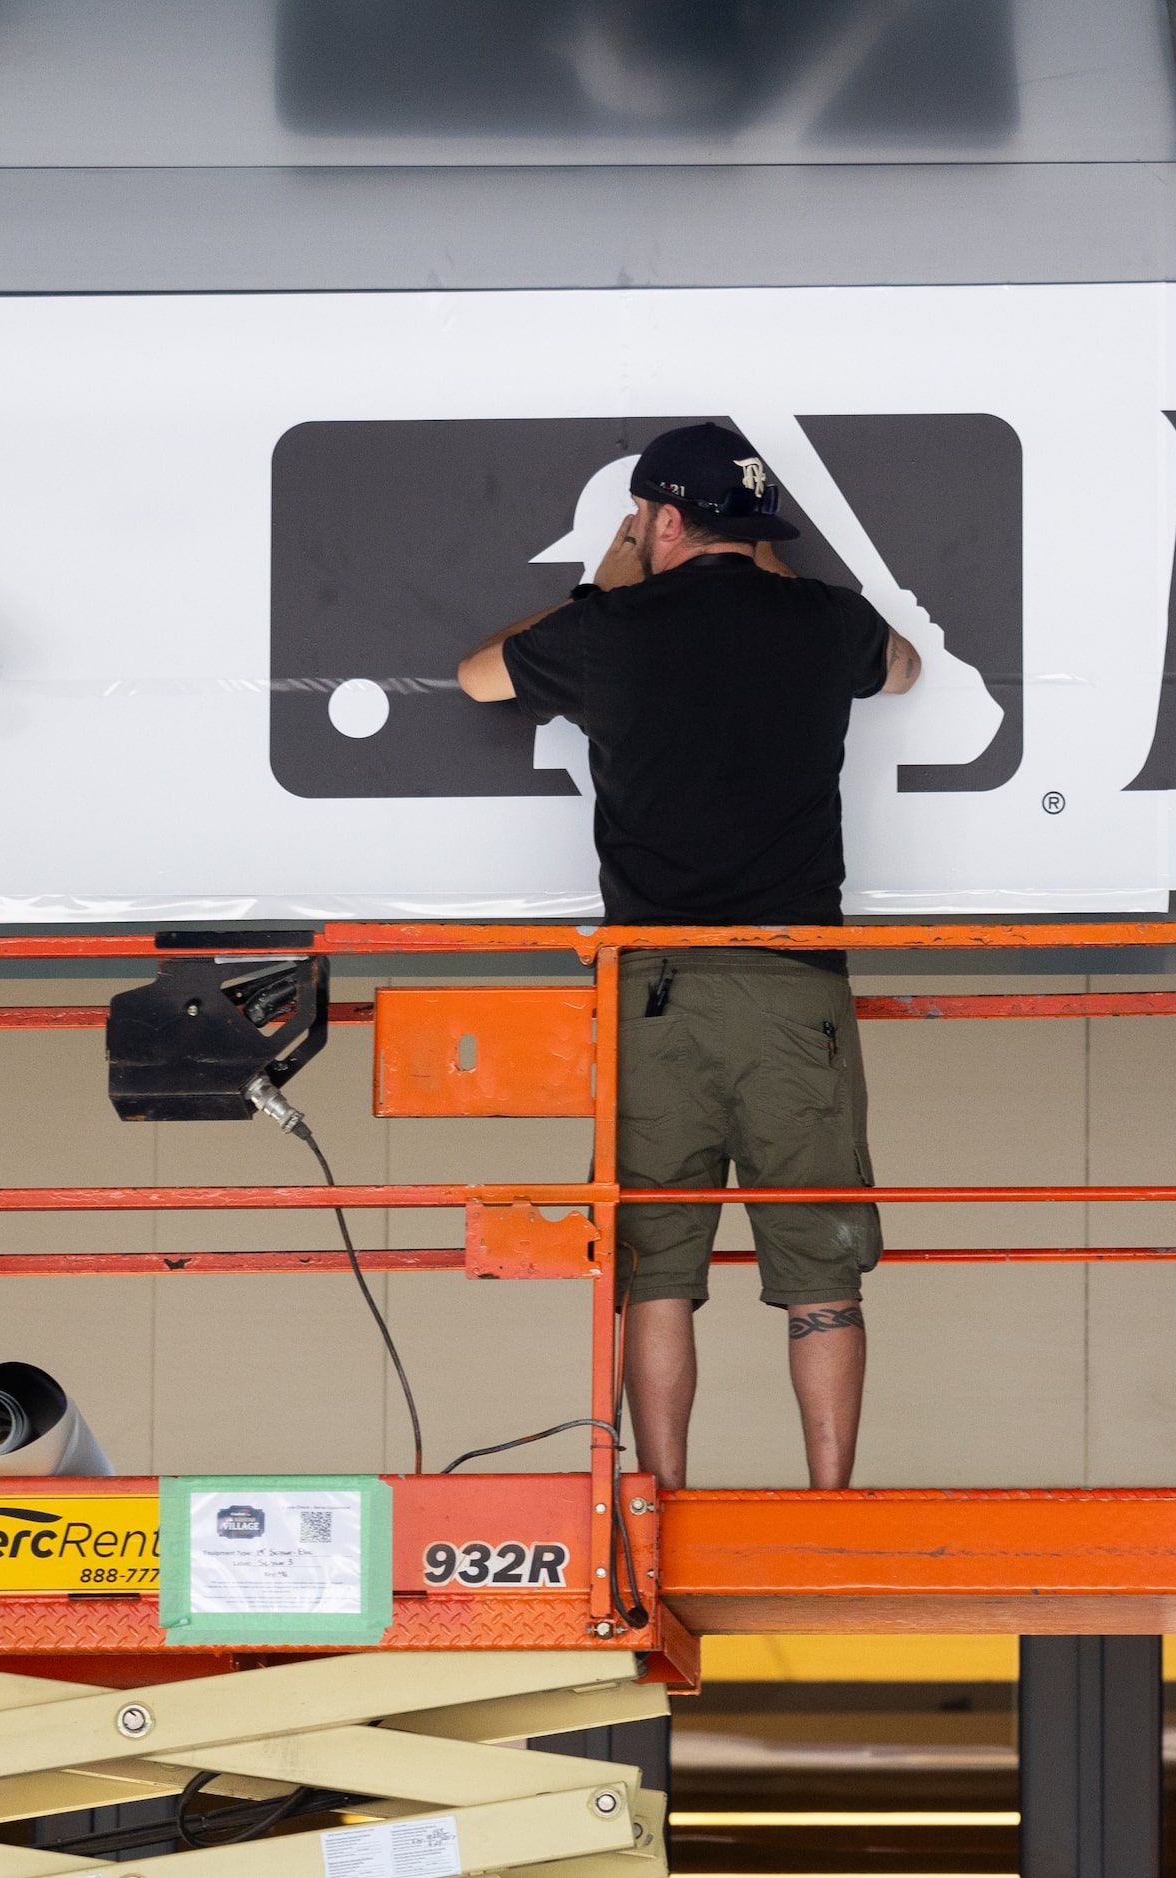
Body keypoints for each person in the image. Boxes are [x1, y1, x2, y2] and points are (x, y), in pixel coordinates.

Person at [457, 422, 919, 1491]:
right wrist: (778, 569)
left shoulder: (610, 628)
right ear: (752, 532)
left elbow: (479, 677)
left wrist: (602, 582)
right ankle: (829, 1502)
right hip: (793, 987)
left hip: (651, 993)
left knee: (655, 1273)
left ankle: (657, 1497)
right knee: (824, 1277)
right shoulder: (823, 621)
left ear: (663, 519)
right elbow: (901, 668)